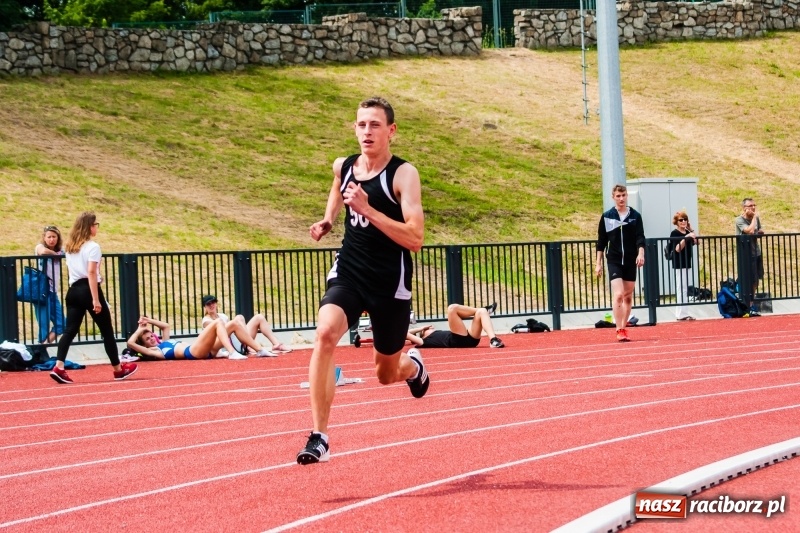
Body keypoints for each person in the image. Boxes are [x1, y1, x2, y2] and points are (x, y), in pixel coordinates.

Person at [297, 97, 428, 465]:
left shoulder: (403, 175)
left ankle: (413, 367)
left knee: (386, 373)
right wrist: (329, 218)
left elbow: (415, 238)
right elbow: (337, 185)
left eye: (375, 125)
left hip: (389, 282)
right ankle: (320, 436)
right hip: (350, 271)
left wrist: (367, 209)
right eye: (361, 124)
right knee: (325, 333)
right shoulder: (344, 165)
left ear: (391, 131)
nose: (367, 131)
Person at [51, 212, 138, 384]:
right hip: (88, 290)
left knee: (69, 331)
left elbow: (81, 271)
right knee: (107, 331)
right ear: (90, 227)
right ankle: (118, 369)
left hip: (73, 290)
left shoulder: (70, 247)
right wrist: (96, 299)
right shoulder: (93, 247)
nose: (96, 227)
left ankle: (59, 366)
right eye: (95, 224)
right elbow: (90, 272)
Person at [595, 184, 645, 342]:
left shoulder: (635, 216)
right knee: (618, 294)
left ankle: (624, 327)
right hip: (614, 259)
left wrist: (641, 254)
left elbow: (640, 237)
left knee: (628, 296)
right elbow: (601, 241)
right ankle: (619, 329)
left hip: (630, 259)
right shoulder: (607, 216)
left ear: (627, 196)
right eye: (618, 196)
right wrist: (598, 263)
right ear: (613, 197)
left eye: (623, 195)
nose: (621, 198)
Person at [127, 315, 273, 360]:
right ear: (145, 345)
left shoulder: (164, 342)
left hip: (204, 349)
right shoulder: (155, 352)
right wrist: (139, 330)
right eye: (147, 339)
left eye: (151, 335)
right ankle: (232, 352)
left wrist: (148, 321)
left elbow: (165, 326)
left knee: (234, 323)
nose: (152, 338)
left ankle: (259, 350)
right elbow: (131, 343)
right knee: (218, 322)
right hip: (193, 352)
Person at [200, 294, 292, 358]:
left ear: (216, 303)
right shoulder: (206, 321)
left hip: (238, 341)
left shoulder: (223, 316)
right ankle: (250, 346)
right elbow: (222, 333)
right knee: (237, 319)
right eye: (208, 304)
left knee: (257, 317)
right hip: (227, 346)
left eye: (213, 302)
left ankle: (276, 344)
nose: (211, 305)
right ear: (205, 307)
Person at [406, 303, 504, 348]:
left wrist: (421, 329)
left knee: (481, 312)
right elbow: (403, 334)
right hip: (457, 340)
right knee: (452, 308)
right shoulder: (423, 341)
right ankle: (484, 310)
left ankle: (493, 340)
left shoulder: (430, 335)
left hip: (470, 338)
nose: (429, 327)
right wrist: (420, 329)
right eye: (424, 330)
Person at [33, 225, 66, 344]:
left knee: (62, 324)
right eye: (49, 237)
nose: (52, 239)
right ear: (44, 238)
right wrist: (55, 255)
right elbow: (42, 251)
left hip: (53, 292)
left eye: (54, 237)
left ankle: (42, 347)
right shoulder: (39, 247)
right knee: (44, 325)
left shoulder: (61, 251)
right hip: (42, 292)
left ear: (58, 238)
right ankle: (41, 350)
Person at [734, 198, 764, 314]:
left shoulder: (756, 219)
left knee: (756, 280)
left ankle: (751, 302)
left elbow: (758, 231)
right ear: (744, 208)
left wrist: (760, 232)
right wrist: (754, 218)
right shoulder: (739, 220)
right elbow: (749, 231)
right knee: (748, 280)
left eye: (754, 205)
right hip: (745, 254)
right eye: (750, 206)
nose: (753, 207)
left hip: (756, 252)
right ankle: (746, 304)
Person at [669, 211, 698, 321]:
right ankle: (681, 313)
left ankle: (682, 312)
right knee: (681, 287)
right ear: (676, 222)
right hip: (679, 262)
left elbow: (697, 242)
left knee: (685, 287)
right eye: (681, 220)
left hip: (687, 261)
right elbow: (677, 248)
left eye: (685, 219)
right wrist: (686, 237)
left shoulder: (688, 231)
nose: (683, 221)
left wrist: (691, 230)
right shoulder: (674, 233)